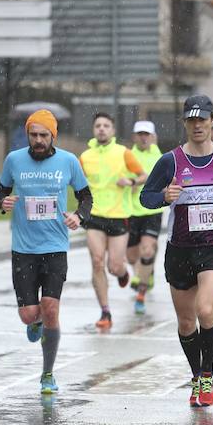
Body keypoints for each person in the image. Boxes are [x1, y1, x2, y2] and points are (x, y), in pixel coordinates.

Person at [140, 94, 213, 407]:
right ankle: (196, 376)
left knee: (206, 310)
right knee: (186, 322)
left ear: (212, 121)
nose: (197, 125)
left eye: (202, 119)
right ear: (185, 123)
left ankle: (208, 375)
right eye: (191, 120)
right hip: (180, 250)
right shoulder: (170, 161)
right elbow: (145, 197)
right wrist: (164, 195)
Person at [0, 110, 92, 394]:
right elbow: (0, 191)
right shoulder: (14, 160)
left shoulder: (68, 161)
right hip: (23, 249)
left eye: (43, 135)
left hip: (55, 247)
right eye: (33, 135)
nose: (38, 140)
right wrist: (4, 202)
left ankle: (47, 373)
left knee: (51, 308)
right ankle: (33, 322)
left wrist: (79, 217)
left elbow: (86, 196)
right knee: (29, 314)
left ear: (53, 136)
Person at [78, 112, 147, 329]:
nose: (101, 129)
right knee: (97, 261)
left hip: (119, 216)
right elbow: (77, 183)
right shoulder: (85, 157)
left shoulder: (123, 153)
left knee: (114, 266)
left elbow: (144, 175)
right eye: (98, 125)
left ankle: (123, 272)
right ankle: (105, 312)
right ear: (93, 130)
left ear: (113, 130)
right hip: (94, 216)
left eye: (106, 125)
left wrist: (131, 181)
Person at [126, 121, 165, 315]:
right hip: (131, 211)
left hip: (152, 211)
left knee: (147, 251)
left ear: (152, 136)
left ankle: (140, 296)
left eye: (146, 134)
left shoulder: (160, 157)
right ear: (134, 136)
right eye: (140, 134)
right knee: (132, 256)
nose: (143, 137)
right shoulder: (128, 156)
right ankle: (146, 275)